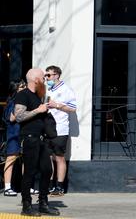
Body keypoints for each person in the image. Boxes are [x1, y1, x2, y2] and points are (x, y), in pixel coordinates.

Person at [14, 68, 59, 216]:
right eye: (42, 77)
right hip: (29, 139)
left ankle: (43, 203)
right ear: (35, 80)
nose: (45, 79)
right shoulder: (23, 95)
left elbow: (40, 113)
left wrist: (46, 108)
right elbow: (19, 116)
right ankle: (26, 206)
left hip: (41, 139)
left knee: (47, 170)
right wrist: (38, 111)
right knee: (30, 172)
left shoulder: (38, 96)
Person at [44, 65, 77, 196]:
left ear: (56, 75)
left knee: (59, 157)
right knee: (48, 158)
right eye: (46, 76)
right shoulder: (48, 90)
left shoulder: (66, 90)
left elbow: (73, 108)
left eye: (49, 75)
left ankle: (59, 187)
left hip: (60, 128)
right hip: (47, 128)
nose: (47, 78)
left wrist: (56, 105)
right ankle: (49, 185)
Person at [3, 80, 26, 197]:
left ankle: (27, 186)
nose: (24, 88)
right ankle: (7, 187)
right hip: (14, 134)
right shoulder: (13, 102)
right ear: (15, 89)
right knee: (11, 158)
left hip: (23, 134)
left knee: (26, 160)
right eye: (22, 87)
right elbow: (11, 118)